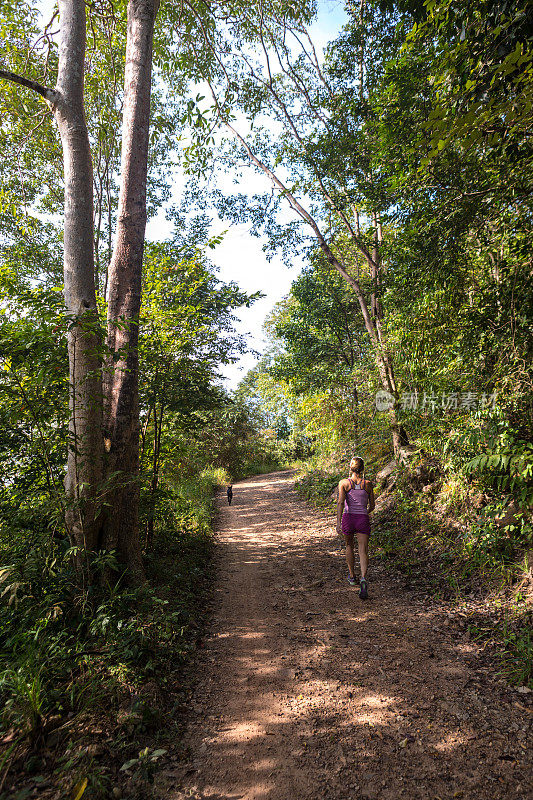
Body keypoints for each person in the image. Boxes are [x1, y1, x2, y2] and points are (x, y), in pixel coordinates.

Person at [336, 456, 375, 599]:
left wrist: (338, 522)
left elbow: (340, 503)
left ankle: (352, 576)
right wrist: (363, 513)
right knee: (363, 550)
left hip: (348, 518)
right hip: (362, 518)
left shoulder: (344, 483)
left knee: (349, 546)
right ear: (363, 468)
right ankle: (363, 577)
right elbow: (372, 506)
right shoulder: (368, 484)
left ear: (350, 467)